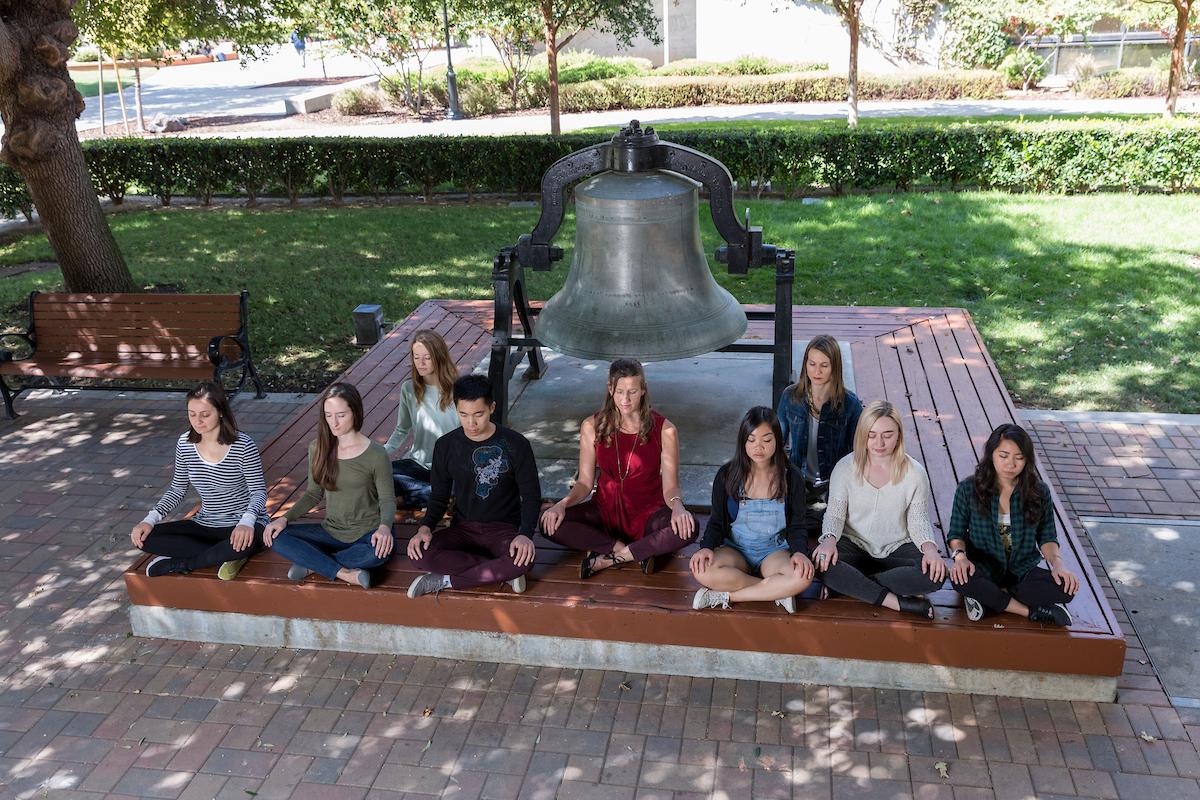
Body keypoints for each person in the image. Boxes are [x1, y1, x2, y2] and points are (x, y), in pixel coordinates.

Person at [539, 358, 696, 578]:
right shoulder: (591, 426)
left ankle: (608, 558)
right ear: (610, 389)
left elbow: (670, 487)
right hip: (604, 511)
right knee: (548, 522)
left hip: (648, 514)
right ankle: (635, 550)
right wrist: (562, 505)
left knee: (689, 527)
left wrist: (678, 506)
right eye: (620, 391)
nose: (625, 399)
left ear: (643, 390)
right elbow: (584, 483)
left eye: (632, 391)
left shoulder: (665, 429)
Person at [406, 375, 542, 597]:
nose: (471, 423)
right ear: (456, 409)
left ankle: (446, 580)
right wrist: (425, 528)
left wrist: (525, 534)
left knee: (524, 559)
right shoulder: (446, 446)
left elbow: (531, 496)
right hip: (463, 530)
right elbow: (438, 497)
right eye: (463, 415)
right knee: (417, 553)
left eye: (478, 414)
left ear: (492, 408)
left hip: (504, 530)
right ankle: (500, 570)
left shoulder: (516, 444)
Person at [812, 400, 947, 619]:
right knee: (820, 562)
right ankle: (898, 603)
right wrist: (828, 541)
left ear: (899, 435)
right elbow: (835, 514)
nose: (879, 442)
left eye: (887, 434)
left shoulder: (915, 473)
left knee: (935, 575)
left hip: (897, 547)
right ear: (862, 434)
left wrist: (930, 549)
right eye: (872, 434)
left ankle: (851, 586)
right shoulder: (845, 468)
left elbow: (918, 519)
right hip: (854, 544)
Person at [263, 383, 395, 589]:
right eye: (328, 415)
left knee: (378, 554)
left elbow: (387, 499)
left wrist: (385, 528)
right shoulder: (318, 448)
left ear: (355, 412)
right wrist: (283, 519)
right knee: (276, 536)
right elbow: (313, 494)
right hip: (331, 531)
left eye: (341, 415)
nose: (334, 422)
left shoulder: (376, 454)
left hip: (368, 533)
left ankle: (313, 564)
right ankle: (344, 573)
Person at [131, 382, 267, 580]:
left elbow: (259, 492)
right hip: (206, 523)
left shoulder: (243, 446)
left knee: (248, 541)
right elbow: (177, 489)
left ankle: (183, 563)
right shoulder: (185, 444)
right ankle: (223, 554)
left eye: (205, 414)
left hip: (244, 524)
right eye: (192, 414)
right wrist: (149, 519)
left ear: (220, 412)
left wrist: (246, 522)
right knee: (144, 538)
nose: (198, 421)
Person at [690, 407, 818, 614]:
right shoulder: (727, 474)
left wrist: (801, 553)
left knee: (803, 576)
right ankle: (776, 590)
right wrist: (706, 547)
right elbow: (717, 521)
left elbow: (797, 525)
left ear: (778, 440)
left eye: (767, 440)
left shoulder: (791, 476)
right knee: (702, 571)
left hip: (774, 552)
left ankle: (728, 595)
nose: (759, 447)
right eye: (751, 440)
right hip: (736, 549)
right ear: (742, 441)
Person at [948, 423, 1079, 626]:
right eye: (1003, 456)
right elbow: (956, 533)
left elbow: (1047, 536)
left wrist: (1058, 564)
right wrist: (960, 558)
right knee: (960, 578)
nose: (1010, 464)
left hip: (1021, 571)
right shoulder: (968, 488)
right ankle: (1028, 610)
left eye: (1019, 458)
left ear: (1027, 460)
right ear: (991, 454)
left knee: (1066, 588)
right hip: (983, 567)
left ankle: (989, 599)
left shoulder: (1039, 491)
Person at [776, 334, 863, 536]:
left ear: (835, 367)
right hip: (799, 482)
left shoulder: (850, 404)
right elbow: (777, 441)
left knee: (835, 528)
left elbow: (858, 451)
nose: (817, 371)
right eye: (812, 363)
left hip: (835, 484)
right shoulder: (790, 397)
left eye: (824, 365)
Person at [385, 330, 460, 509]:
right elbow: (402, 429)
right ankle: (438, 495)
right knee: (376, 477)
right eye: (416, 357)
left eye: (427, 357)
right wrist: (381, 454)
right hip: (418, 465)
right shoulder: (409, 389)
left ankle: (408, 499)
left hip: (450, 469)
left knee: (466, 484)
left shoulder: (458, 389)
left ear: (439, 356)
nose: (421, 363)